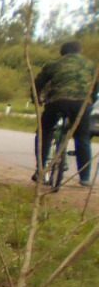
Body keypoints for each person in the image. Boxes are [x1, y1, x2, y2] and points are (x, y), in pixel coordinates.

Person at [32, 40, 95, 186]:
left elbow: (38, 84)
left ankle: (40, 170)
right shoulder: (90, 65)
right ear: (79, 51)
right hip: (81, 103)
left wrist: (35, 98)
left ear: (62, 52)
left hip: (57, 101)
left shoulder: (53, 64)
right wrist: (90, 100)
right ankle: (84, 177)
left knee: (44, 132)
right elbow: (95, 86)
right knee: (82, 137)